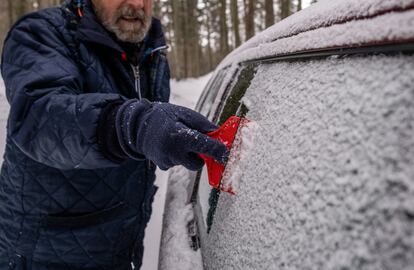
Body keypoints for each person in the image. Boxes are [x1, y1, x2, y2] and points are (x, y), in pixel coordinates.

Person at [0, 0, 228, 269]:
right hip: (44, 253)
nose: (136, 4)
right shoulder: (42, 33)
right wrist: (132, 125)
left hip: (122, 247)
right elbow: (39, 118)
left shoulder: (152, 51)